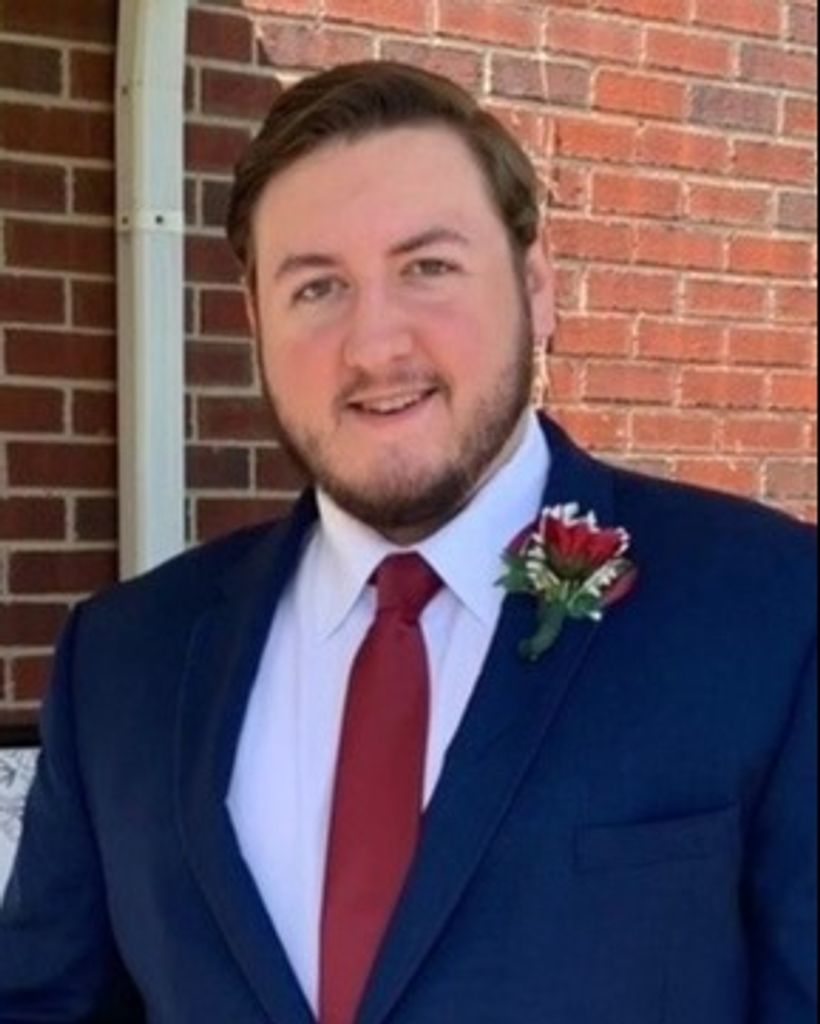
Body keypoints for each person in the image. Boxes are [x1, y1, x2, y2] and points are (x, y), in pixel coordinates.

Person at [0, 61, 816, 1024]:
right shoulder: (123, 660)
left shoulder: (770, 613)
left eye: (428, 268)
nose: (376, 346)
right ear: (255, 321)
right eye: (317, 287)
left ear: (537, 285)